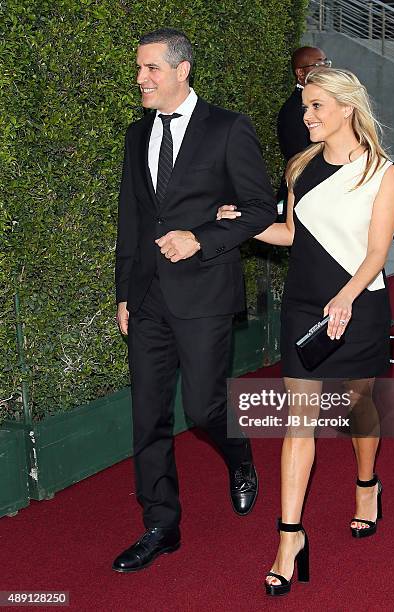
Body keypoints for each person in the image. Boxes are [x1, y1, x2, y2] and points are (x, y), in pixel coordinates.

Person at [217, 67, 394, 596]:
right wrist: (243, 224)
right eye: (305, 107)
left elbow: (377, 254)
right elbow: (294, 234)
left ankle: (368, 485)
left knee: (358, 405)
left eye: (318, 106)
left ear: (348, 108)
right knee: (299, 422)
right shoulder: (300, 166)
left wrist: (345, 297)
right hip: (303, 306)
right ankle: (289, 538)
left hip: (358, 303)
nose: (308, 116)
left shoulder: (380, 172)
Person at [113, 28, 276, 573]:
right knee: (147, 417)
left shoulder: (228, 128)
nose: (141, 79)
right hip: (149, 297)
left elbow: (259, 209)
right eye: (140, 70)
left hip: (204, 291)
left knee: (204, 408)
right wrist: (124, 294)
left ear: (182, 70)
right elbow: (132, 222)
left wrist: (200, 238)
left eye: (151, 69)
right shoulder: (137, 136)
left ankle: (239, 454)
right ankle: (161, 525)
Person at [276, 46, 331, 217]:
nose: (326, 69)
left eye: (326, 63)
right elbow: (299, 157)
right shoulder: (293, 110)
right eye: (318, 64)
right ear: (300, 73)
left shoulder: (322, 102)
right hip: (305, 199)